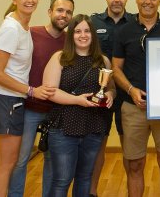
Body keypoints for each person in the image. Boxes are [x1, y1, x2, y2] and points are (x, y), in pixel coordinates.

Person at [112, 0, 160, 197]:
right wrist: (131, 90)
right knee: (134, 165)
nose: (148, 2)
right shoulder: (124, 31)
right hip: (133, 107)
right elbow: (115, 68)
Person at [0, 0, 55, 197]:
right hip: (6, 100)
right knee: (7, 163)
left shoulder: (21, 25)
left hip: (7, 99)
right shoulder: (11, 28)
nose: (29, 0)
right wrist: (30, 91)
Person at [8, 0, 74, 197]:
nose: (64, 15)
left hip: (56, 111)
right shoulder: (31, 33)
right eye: (60, 10)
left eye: (68, 12)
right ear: (50, 12)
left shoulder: (70, 42)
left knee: (52, 160)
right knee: (21, 159)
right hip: (29, 107)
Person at [43, 14, 115, 197]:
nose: (83, 35)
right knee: (62, 180)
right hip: (63, 128)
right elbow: (50, 92)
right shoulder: (60, 58)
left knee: (85, 178)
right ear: (71, 35)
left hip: (93, 127)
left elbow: (111, 88)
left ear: (93, 34)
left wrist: (109, 94)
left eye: (87, 31)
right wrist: (77, 100)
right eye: (77, 31)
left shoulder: (103, 61)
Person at [90, 0, 133, 197]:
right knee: (98, 146)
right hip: (101, 95)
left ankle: (130, 191)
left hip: (127, 95)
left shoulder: (136, 23)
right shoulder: (92, 23)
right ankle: (92, 192)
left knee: (130, 149)